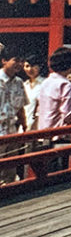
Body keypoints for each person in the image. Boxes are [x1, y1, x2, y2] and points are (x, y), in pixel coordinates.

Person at [0, 46, 27, 184]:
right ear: (4, 60)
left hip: (12, 132)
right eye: (16, 60)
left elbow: (21, 108)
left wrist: (24, 126)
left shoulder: (19, 83)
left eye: (21, 61)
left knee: (10, 169)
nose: (20, 64)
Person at [36, 48, 71, 132]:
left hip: (42, 129)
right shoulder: (66, 85)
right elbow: (68, 113)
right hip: (59, 132)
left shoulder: (46, 82)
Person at [22, 54, 47, 131]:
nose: (30, 69)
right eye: (27, 66)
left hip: (38, 126)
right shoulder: (23, 85)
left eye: (33, 66)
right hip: (24, 126)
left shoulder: (45, 83)